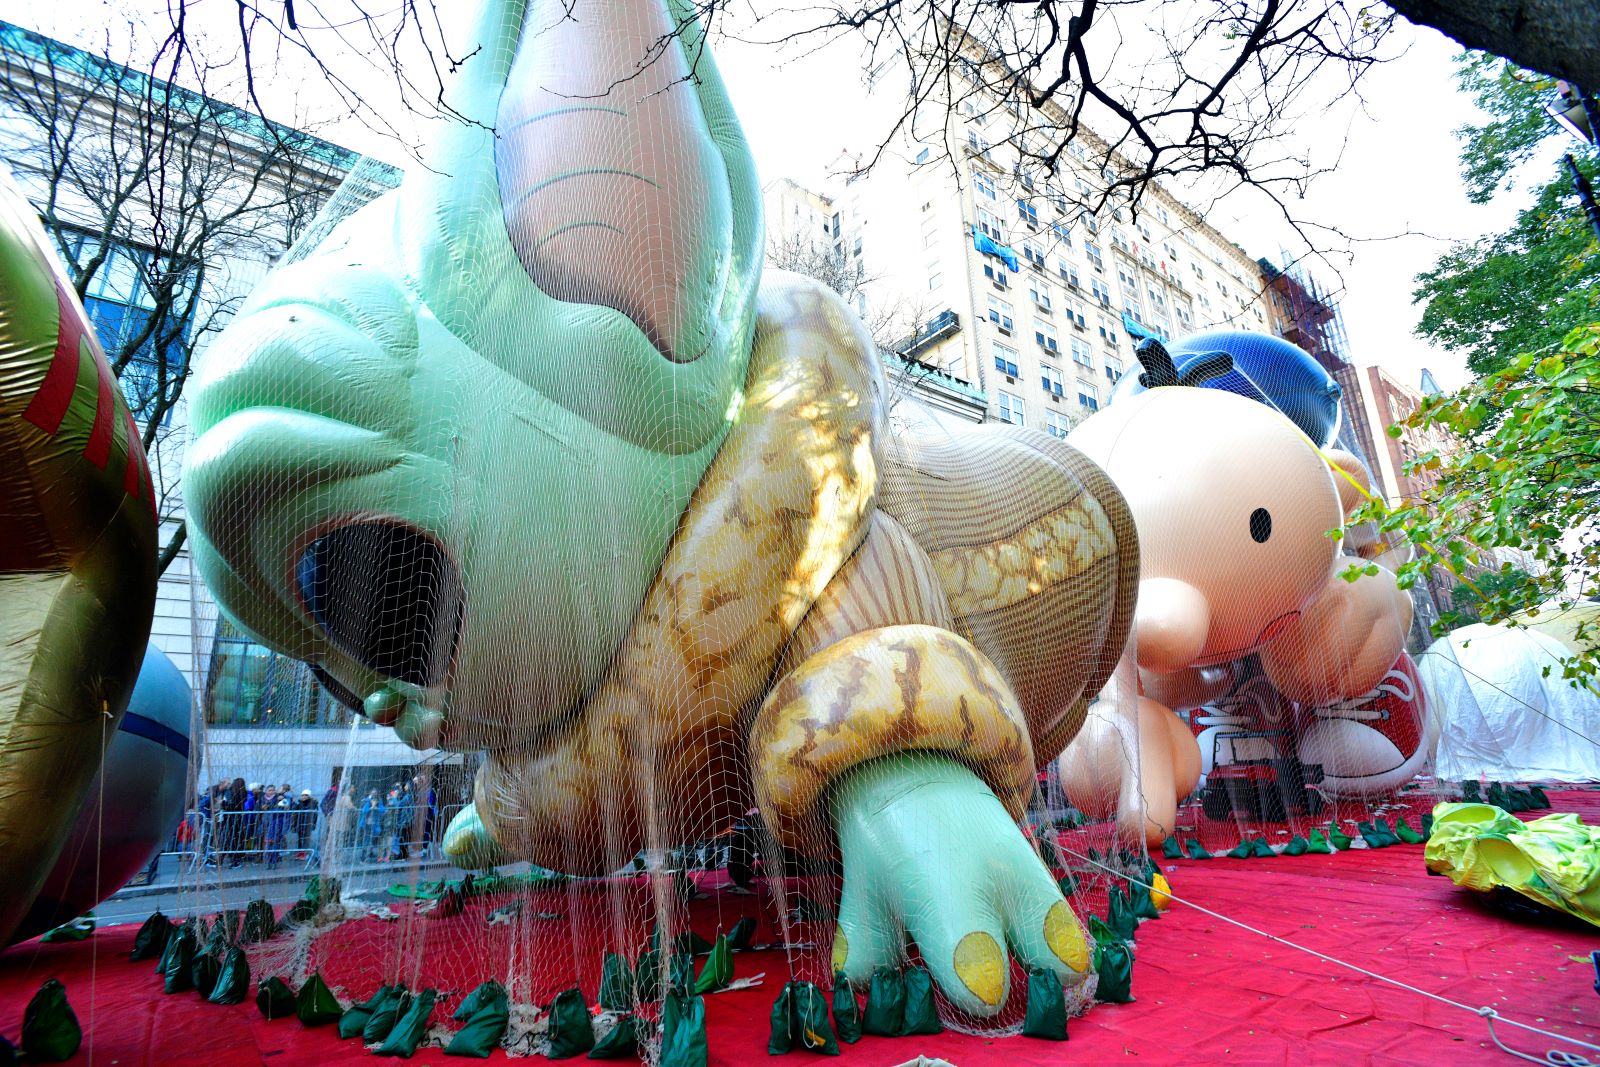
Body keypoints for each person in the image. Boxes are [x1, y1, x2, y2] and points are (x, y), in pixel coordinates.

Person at [292, 789, 318, 858]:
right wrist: (294, 825)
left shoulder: (313, 804)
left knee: (306, 840)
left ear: (309, 796)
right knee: (300, 839)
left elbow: (315, 816)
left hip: (308, 825)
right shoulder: (299, 804)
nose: (303, 797)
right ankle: (300, 853)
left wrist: (313, 825)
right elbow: (295, 816)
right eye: (302, 795)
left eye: (306, 795)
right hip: (300, 824)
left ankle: (306, 853)